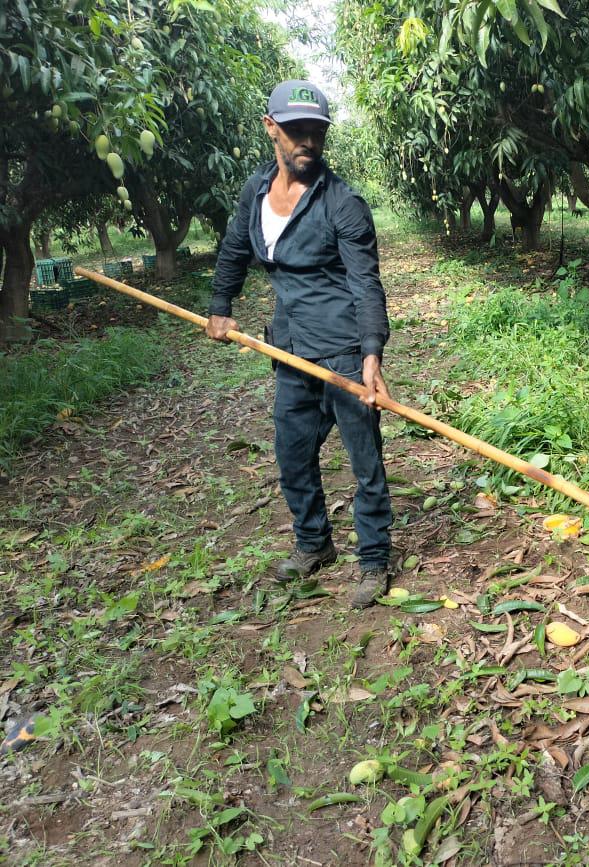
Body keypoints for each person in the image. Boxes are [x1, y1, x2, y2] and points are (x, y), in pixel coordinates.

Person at [206, 79, 394, 609]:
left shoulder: (343, 204)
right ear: (272, 128)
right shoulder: (255, 193)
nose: (306, 141)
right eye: (295, 131)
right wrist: (221, 308)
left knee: (364, 461)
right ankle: (314, 544)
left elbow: (365, 283)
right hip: (288, 347)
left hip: (342, 350)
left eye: (315, 132)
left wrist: (371, 353)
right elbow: (233, 251)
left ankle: (374, 559)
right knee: (292, 454)